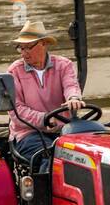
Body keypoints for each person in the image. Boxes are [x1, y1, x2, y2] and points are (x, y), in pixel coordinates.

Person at [7, 20, 86, 171]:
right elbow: (17, 111)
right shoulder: (14, 71)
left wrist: (74, 98)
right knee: (51, 158)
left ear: (43, 44)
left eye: (28, 47)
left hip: (65, 130)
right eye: (21, 48)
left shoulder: (64, 65)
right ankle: (46, 194)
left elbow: (71, 86)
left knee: (90, 152)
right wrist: (45, 118)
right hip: (29, 133)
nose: (24, 53)